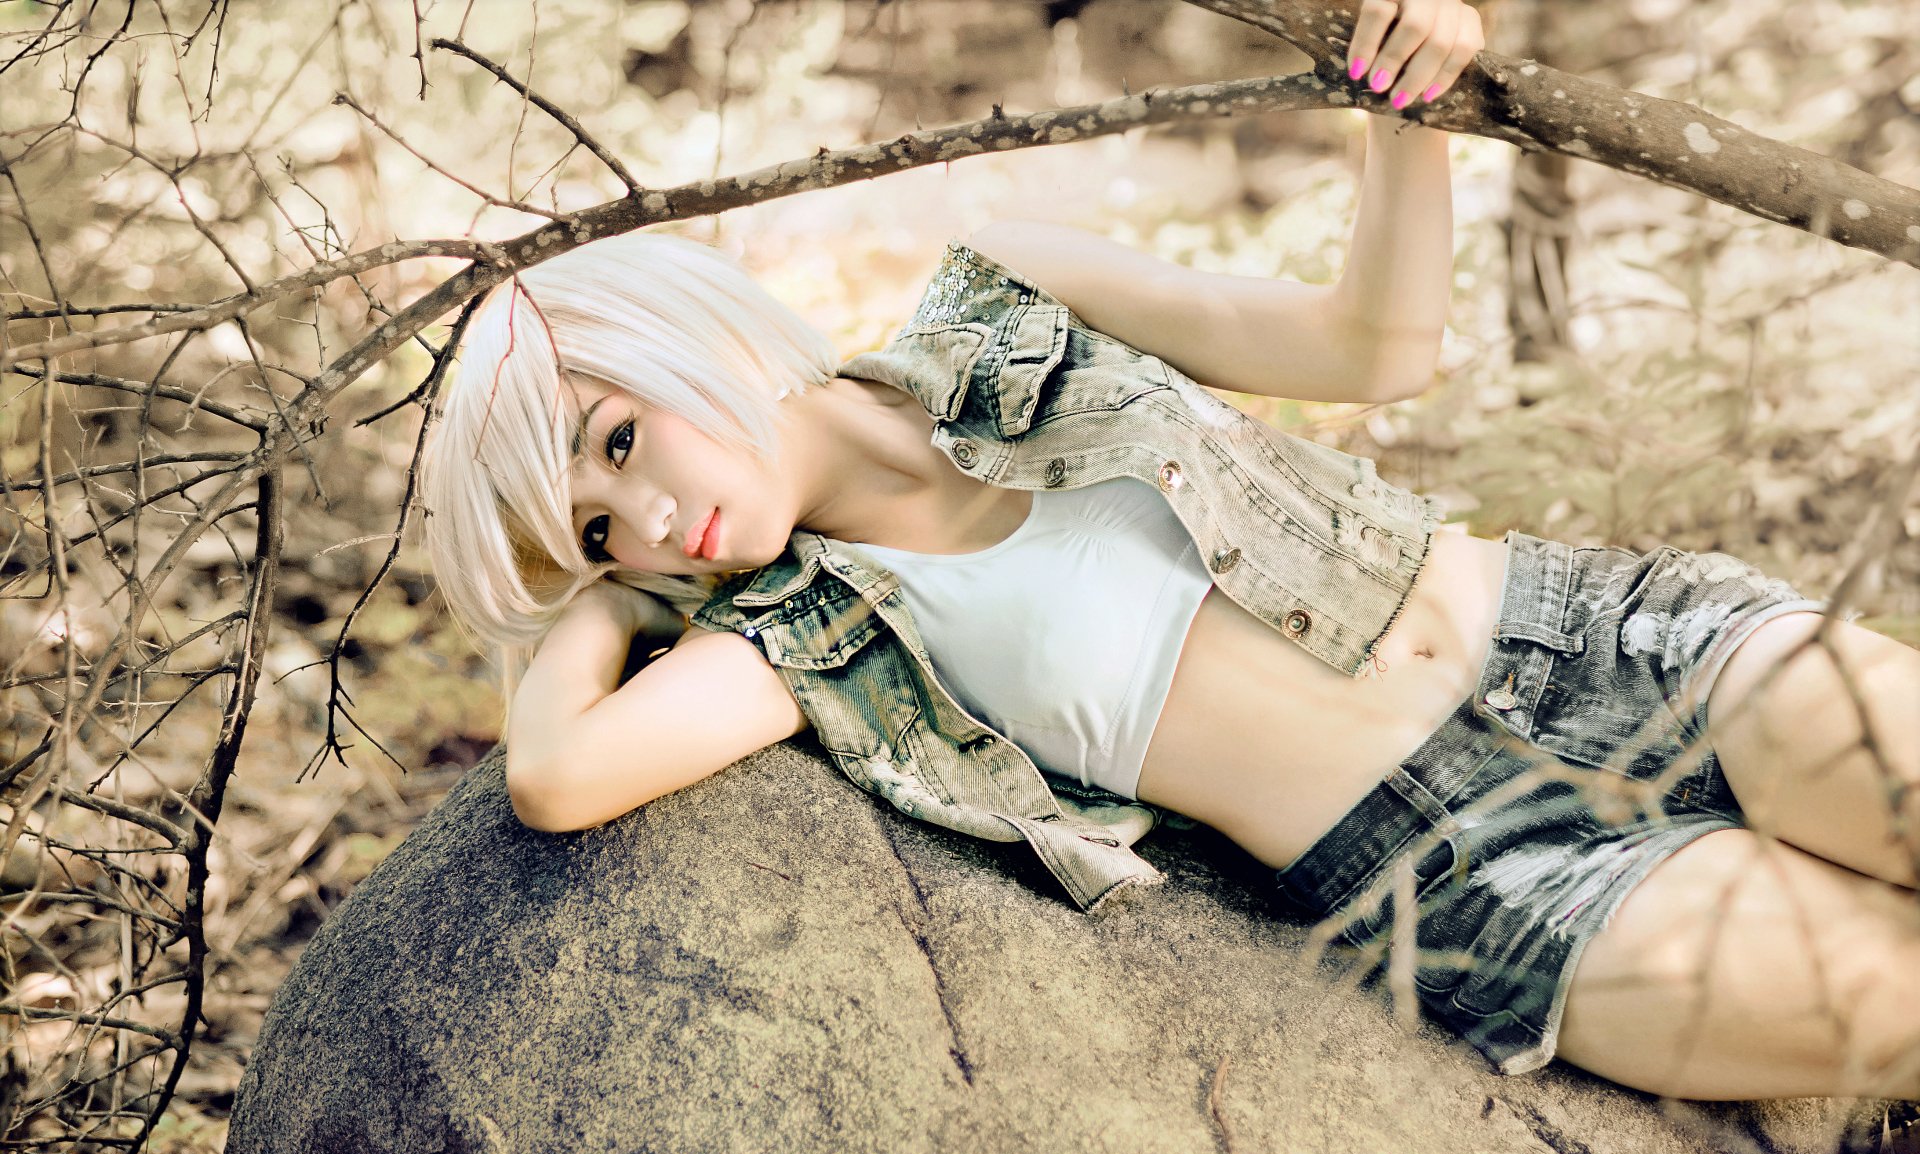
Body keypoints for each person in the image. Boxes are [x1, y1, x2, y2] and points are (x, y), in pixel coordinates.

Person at [418, 9, 1919, 1099]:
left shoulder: (1000, 297)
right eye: (601, 534)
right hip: (1483, 886)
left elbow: (1373, 345)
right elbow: (559, 778)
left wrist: (1411, 107)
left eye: (618, 441)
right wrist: (599, 592)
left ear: (682, 337)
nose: (653, 522)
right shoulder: (804, 634)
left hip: (1598, 645)